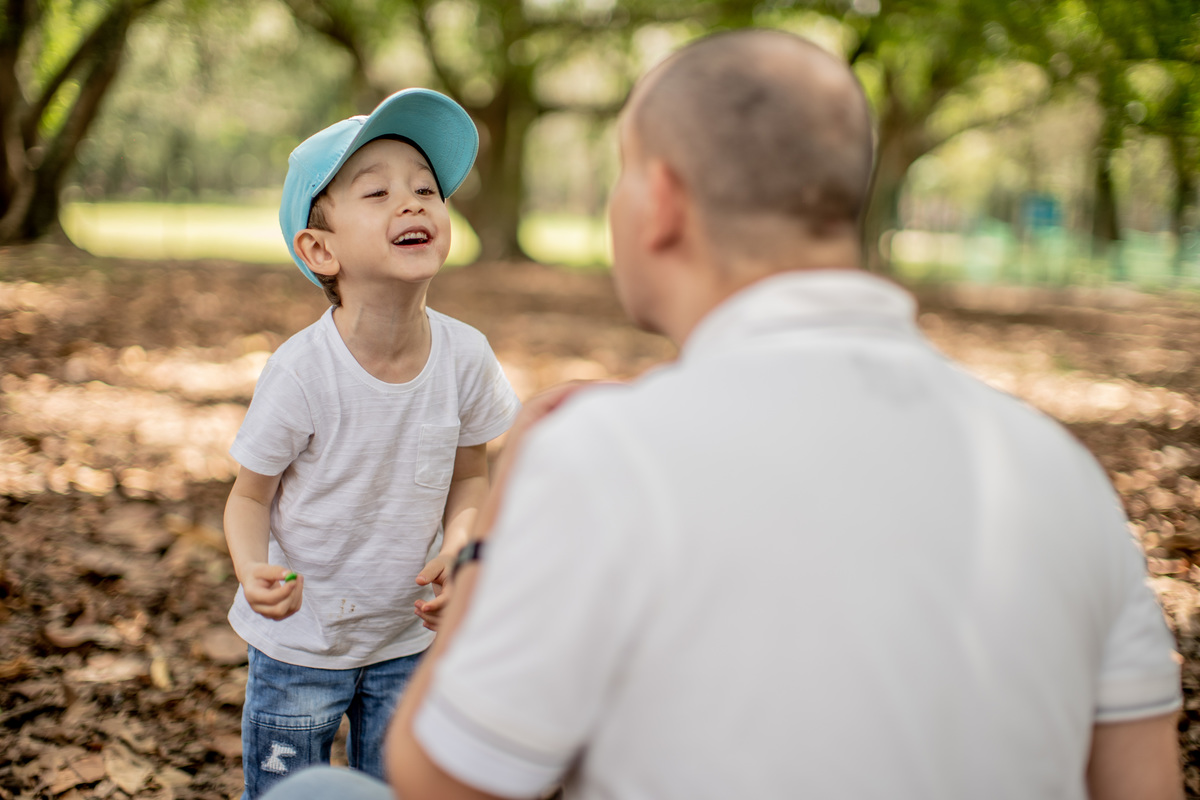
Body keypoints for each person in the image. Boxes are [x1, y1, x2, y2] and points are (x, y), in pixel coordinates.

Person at [264, 29, 1184, 800]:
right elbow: (1141, 784)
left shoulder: (605, 456)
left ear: (660, 203)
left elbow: (437, 780)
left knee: (315, 792)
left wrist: (489, 537)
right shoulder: (1059, 471)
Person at [222, 88, 520, 799]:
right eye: (378, 192)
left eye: (425, 189)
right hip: (302, 644)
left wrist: (459, 546)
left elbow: (470, 477)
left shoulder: (466, 358)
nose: (412, 203)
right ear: (320, 249)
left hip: (407, 639)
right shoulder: (302, 372)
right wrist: (251, 567)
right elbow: (249, 497)